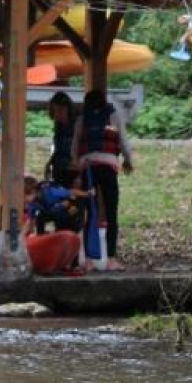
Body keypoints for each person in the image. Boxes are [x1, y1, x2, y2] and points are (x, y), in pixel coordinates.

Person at [73, 90, 134, 268]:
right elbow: (123, 140)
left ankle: (89, 261)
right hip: (108, 167)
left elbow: (75, 145)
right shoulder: (114, 116)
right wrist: (128, 161)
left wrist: (78, 165)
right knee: (111, 212)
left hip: (89, 168)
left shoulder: (81, 119)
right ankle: (111, 260)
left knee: (89, 213)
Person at [45, 91, 76, 182]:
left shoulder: (78, 125)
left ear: (68, 109)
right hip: (59, 170)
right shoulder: (58, 127)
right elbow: (58, 150)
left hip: (74, 171)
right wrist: (50, 163)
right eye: (55, 111)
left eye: (60, 110)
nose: (57, 114)